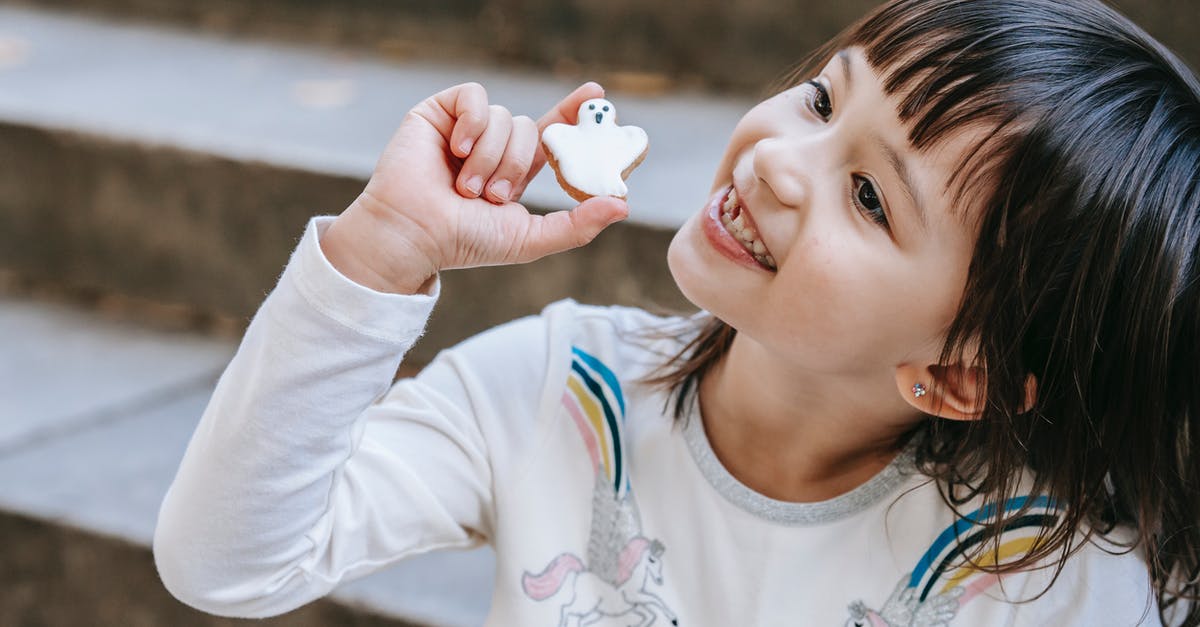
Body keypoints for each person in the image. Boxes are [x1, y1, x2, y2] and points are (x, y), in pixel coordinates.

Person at [152, 0, 1200, 624]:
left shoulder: (1039, 585)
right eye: (825, 101)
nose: (782, 161)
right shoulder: (556, 394)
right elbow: (227, 561)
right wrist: (382, 249)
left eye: (871, 197)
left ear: (959, 374)